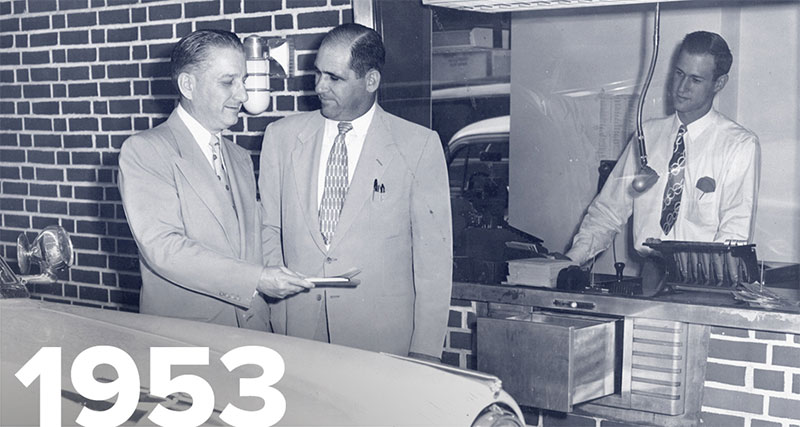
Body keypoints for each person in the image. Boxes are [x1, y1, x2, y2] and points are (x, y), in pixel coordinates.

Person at [259, 23, 452, 362]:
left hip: (380, 340)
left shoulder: (417, 145)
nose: (319, 87)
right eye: (317, 74)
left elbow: (433, 259)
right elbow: (268, 229)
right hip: (296, 333)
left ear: (371, 81)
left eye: (334, 78)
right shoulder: (281, 137)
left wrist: (425, 349)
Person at [119, 30, 313, 330]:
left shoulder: (239, 157)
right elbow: (164, 248)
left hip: (253, 332)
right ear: (188, 85)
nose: (243, 95)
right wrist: (256, 279)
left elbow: (255, 238)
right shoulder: (146, 150)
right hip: (188, 338)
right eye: (228, 82)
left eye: (244, 81)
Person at [565, 31, 760, 283]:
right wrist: (569, 261)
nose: (681, 88)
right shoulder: (647, 135)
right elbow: (607, 211)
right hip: (649, 277)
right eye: (679, 73)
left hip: (705, 280)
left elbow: (734, 235)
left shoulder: (739, 144)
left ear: (719, 84)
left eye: (695, 79)